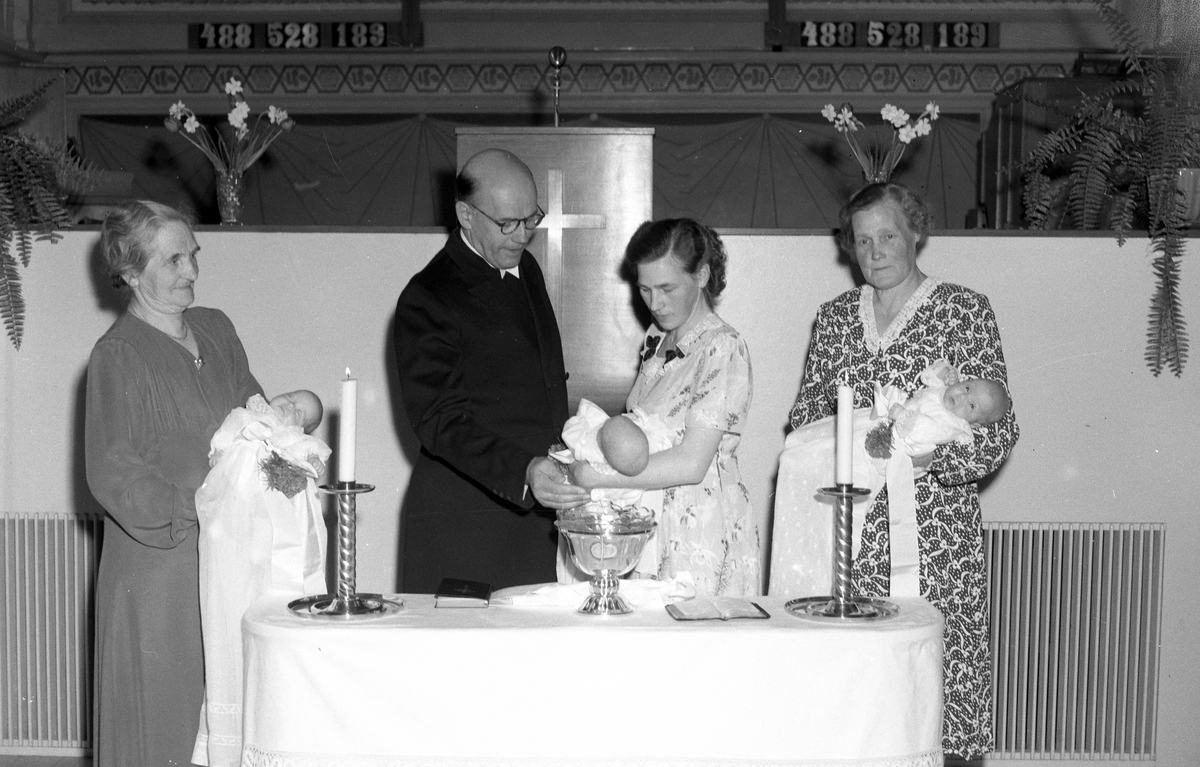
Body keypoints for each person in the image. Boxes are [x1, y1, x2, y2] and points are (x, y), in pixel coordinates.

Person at [785, 182, 1019, 759]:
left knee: (934, 701)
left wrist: (927, 458)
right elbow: (807, 421)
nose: (875, 251)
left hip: (937, 543)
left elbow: (999, 431)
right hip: (851, 539)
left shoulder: (964, 310)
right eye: (862, 240)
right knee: (856, 711)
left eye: (888, 235)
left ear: (917, 232)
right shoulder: (835, 319)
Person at [85, 200, 263, 767]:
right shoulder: (118, 355)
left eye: (193, 254)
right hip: (159, 577)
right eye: (174, 260)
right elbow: (116, 475)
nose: (192, 270)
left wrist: (286, 426)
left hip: (225, 561)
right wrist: (205, 508)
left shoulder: (216, 328)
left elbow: (253, 419)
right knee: (164, 733)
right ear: (132, 273)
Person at [393, 148, 589, 593]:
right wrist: (524, 471)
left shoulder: (525, 267)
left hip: (535, 519)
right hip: (465, 527)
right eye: (507, 223)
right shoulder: (428, 297)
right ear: (465, 215)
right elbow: (440, 420)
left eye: (531, 219)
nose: (523, 236)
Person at [568, 218, 760, 597]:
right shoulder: (656, 339)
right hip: (652, 520)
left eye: (667, 288)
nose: (655, 304)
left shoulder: (722, 346)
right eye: (645, 289)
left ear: (702, 275)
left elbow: (691, 464)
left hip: (700, 530)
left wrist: (599, 477)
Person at [771, 360, 1009, 603]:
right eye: (967, 387)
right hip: (864, 434)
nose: (962, 397)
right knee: (801, 460)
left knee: (909, 610)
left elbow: (992, 438)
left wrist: (905, 434)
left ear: (975, 422)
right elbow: (808, 408)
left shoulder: (950, 424)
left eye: (971, 405)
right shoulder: (944, 392)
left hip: (923, 520)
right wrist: (944, 374)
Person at [193, 390, 330, 766]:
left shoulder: (296, 445)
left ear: (303, 428)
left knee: (263, 632)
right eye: (291, 397)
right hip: (228, 529)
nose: (290, 405)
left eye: (300, 411)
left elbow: (303, 483)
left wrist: (289, 453)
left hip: (263, 548)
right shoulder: (245, 416)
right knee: (227, 627)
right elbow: (220, 446)